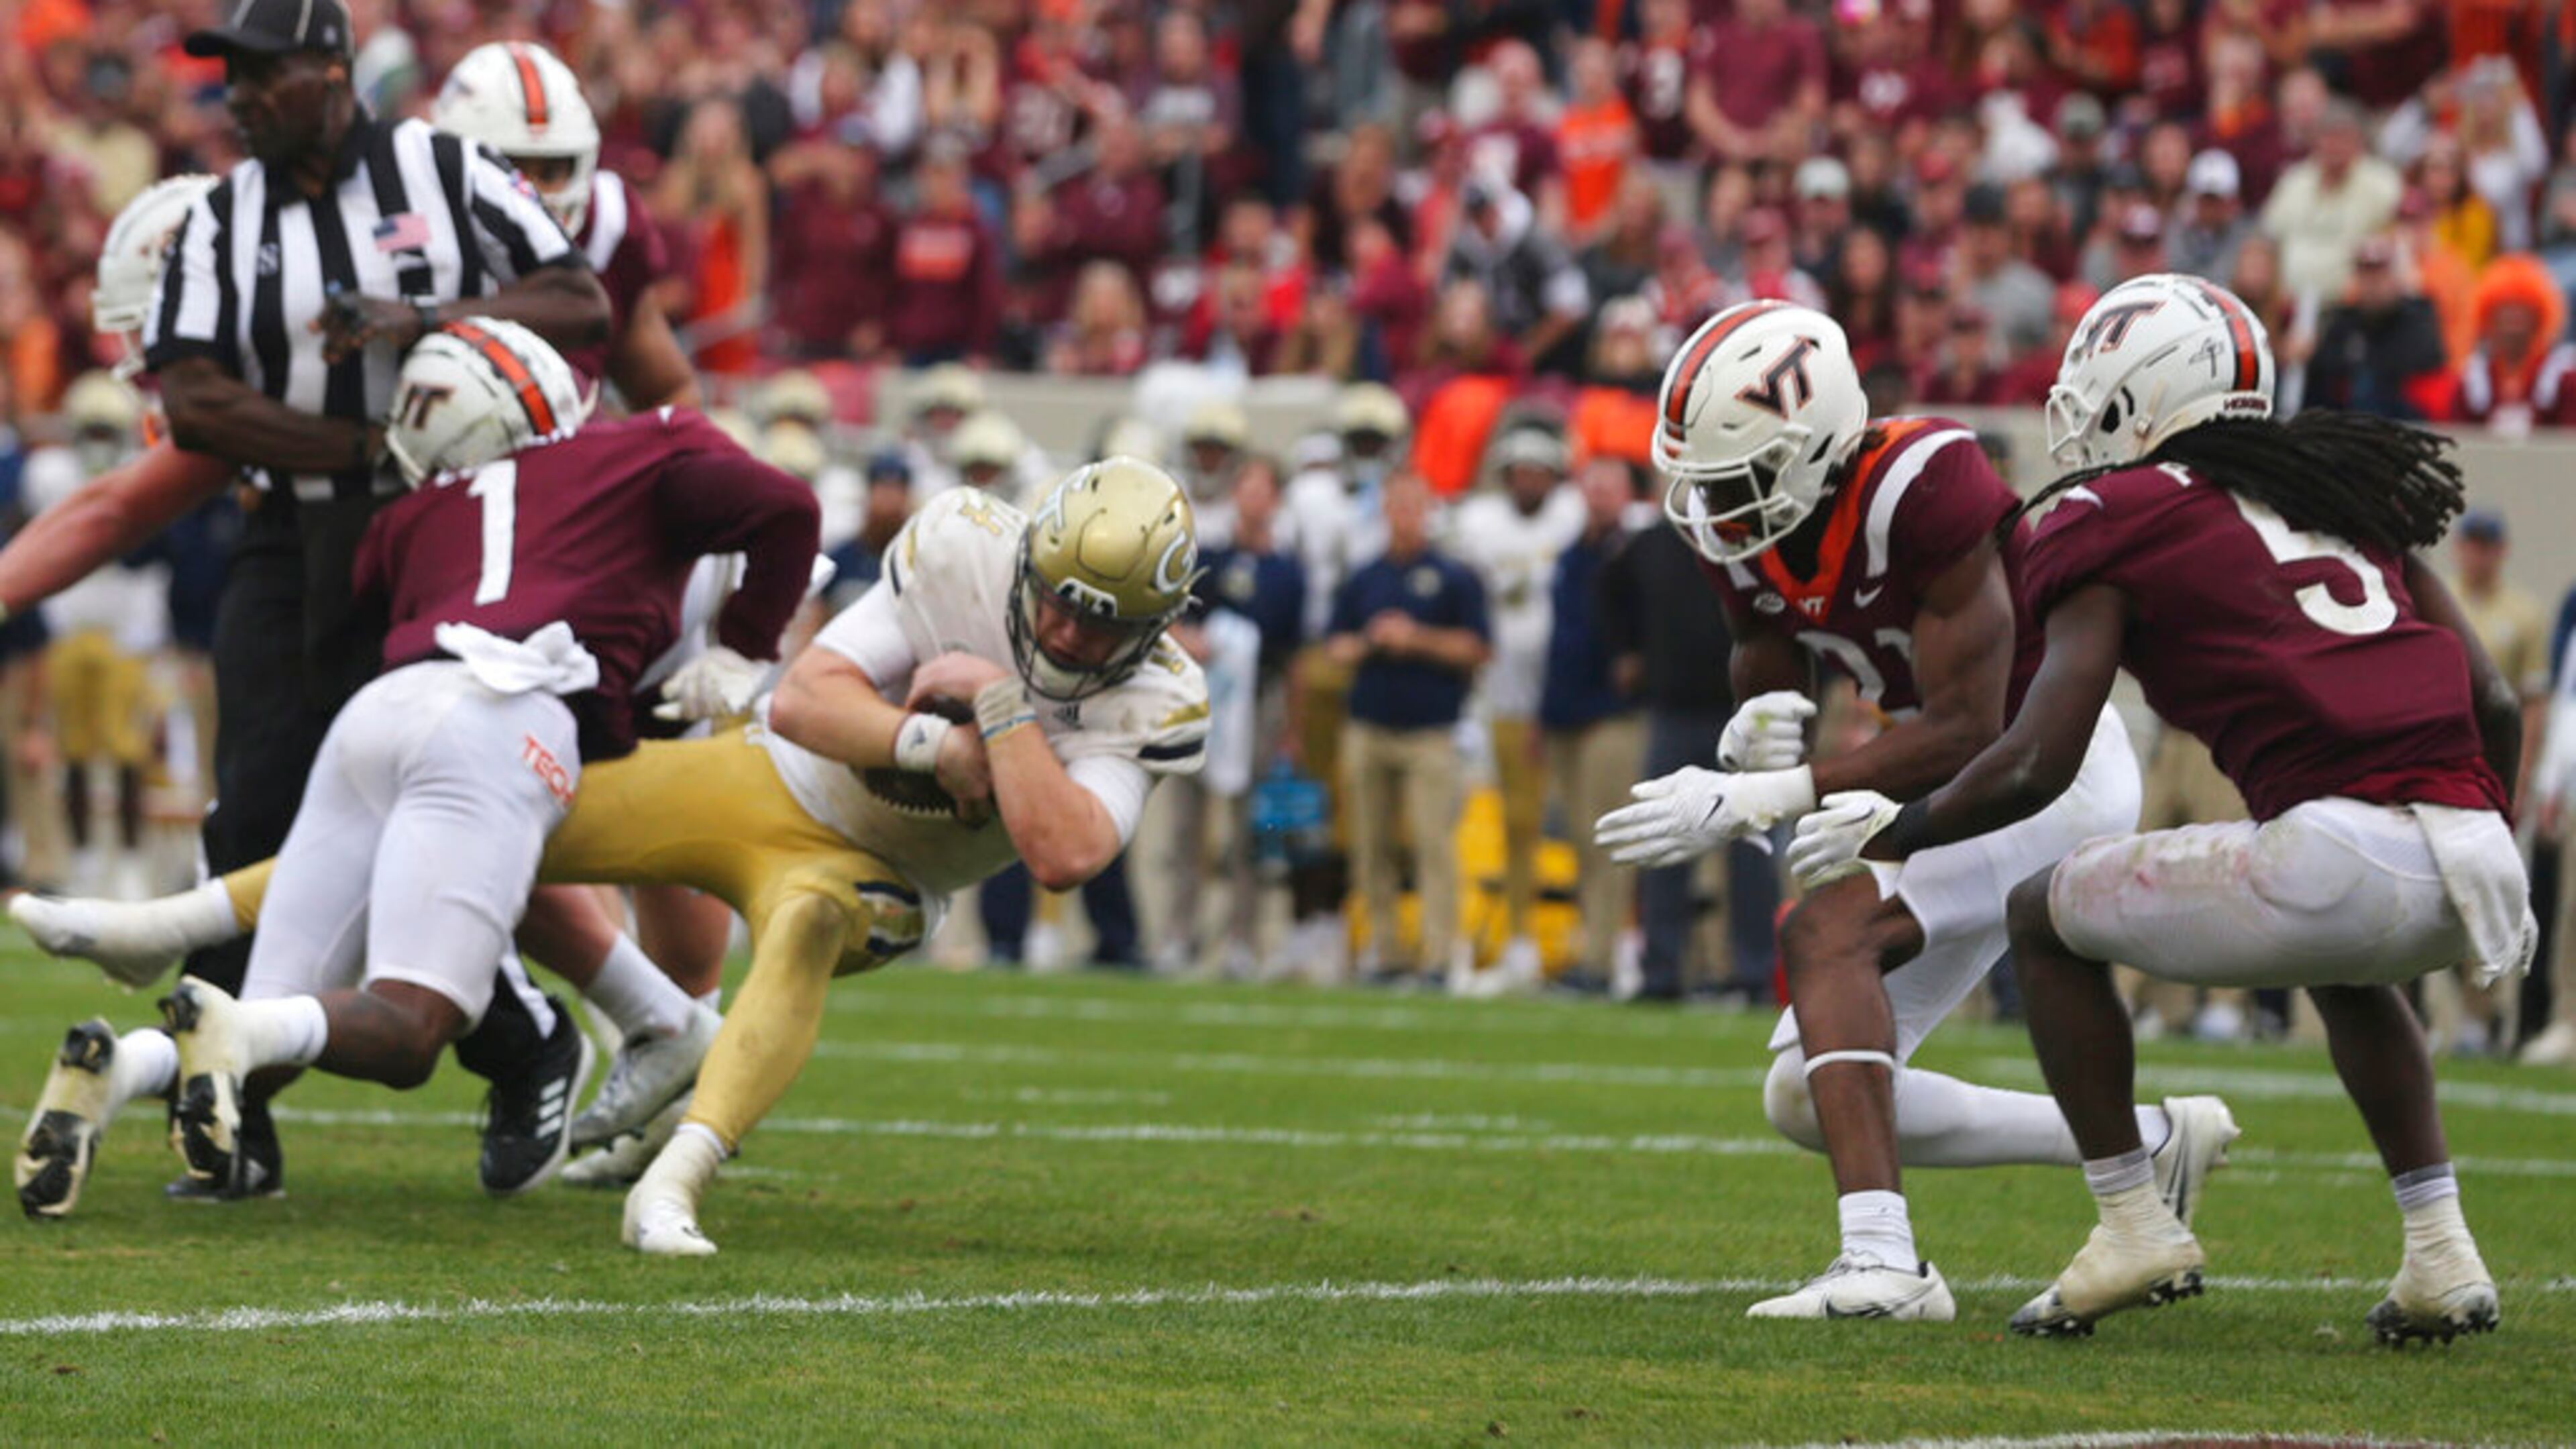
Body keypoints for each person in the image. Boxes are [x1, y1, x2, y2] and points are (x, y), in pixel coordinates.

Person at [17, 459, 1214, 1254]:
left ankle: (676, 1177)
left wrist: (1001, 712)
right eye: (1057, 599)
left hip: (890, 877)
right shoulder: (962, 542)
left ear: (1154, 626)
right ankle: (184, 922)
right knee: (505, 805)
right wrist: (919, 734)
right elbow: (803, 702)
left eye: (1098, 621)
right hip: (765, 776)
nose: (1065, 630)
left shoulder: (1159, 700)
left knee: (800, 926)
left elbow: (1063, 852)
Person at [1791, 274, 2531, 1343]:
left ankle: (2133, 1219)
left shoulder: (2114, 514)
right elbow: (2494, 699)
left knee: (2044, 913)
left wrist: (1896, 829)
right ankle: (2441, 1251)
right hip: (2466, 853)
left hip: (2335, 858)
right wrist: (2484, 842)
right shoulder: (2337, 488)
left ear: (2142, 398)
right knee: (2349, 973)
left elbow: (2038, 762)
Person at [15, 319, 819, 1214]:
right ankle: (650, 1022)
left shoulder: (408, 516)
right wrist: (747, 649)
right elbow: (786, 509)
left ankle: (125, 1061)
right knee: (406, 1029)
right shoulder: (647, 446)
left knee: (275, 1006)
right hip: (505, 722)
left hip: (379, 715)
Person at [23, 7, 619, 1197]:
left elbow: (580, 304)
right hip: (292, 531)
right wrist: (351, 440)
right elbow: (191, 397)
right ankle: (254, 1105)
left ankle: (529, 1040)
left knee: (426, 811)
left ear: (330, 71)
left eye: (258, 73)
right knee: (251, 824)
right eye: (226, 76)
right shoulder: (222, 218)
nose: (236, 98)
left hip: (447, 541)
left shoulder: (440, 172)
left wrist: (430, 323)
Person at [1596, 300, 2222, 1322]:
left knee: (1827, 931)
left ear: (1819, 447)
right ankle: (2153, 1143)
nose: (1715, 511)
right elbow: (1766, 639)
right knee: (1804, 1092)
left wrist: (1768, 792)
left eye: (1739, 480)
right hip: (1937, 776)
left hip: (2041, 766)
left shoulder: (1922, 486)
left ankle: (1883, 1263)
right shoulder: (1745, 516)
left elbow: (1974, 723)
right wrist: (1761, 716)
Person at [1329, 472, 1489, 984]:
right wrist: (1373, 641)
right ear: (1385, 510)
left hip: (1431, 732)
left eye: (1413, 505)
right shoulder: (1364, 577)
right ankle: (1385, 950)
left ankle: (1439, 956)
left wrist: (1415, 639)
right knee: (1371, 846)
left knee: (1433, 845)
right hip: (1370, 726)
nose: (1404, 515)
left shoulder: (1454, 576)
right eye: (1396, 505)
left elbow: (1477, 649)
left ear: (1427, 511)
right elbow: (1335, 647)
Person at [1448, 427, 1584, 994]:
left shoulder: (1572, 517)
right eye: (1519, 470)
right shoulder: (1479, 524)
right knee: (1513, 823)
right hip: (1497, 696)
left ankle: (1589, 943)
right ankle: (1515, 940)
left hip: (1568, 695)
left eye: (1539, 470)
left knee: (1580, 822)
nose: (1529, 480)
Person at [1538, 458, 1644, 993]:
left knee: (1607, 838)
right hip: (1566, 712)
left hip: (1611, 714)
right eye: (1593, 485)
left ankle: (1603, 958)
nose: (1600, 495)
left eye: (1610, 486)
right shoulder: (1569, 555)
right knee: (1580, 838)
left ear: (1627, 494)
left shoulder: (1634, 557)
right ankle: (1592, 948)